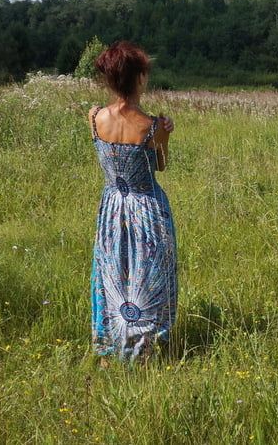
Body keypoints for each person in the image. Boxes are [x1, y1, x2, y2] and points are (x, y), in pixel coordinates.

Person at [86, 40, 176, 365]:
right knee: (147, 275)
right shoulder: (152, 126)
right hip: (147, 210)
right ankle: (143, 349)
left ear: (109, 80)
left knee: (113, 272)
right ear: (139, 78)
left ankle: (111, 344)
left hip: (112, 207)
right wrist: (167, 134)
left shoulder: (94, 117)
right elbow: (162, 165)